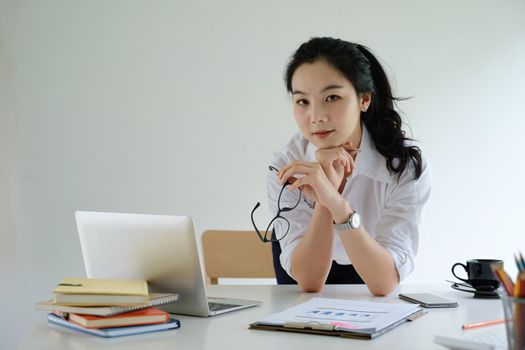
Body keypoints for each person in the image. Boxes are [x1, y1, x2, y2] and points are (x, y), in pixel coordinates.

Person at [266, 37, 431, 296]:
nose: (316, 117)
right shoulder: (286, 164)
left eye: (332, 97)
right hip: (303, 285)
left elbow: (384, 282)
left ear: (364, 99)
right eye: (302, 101)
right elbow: (309, 281)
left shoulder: (403, 167)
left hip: (372, 272)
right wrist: (324, 197)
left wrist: (335, 202)